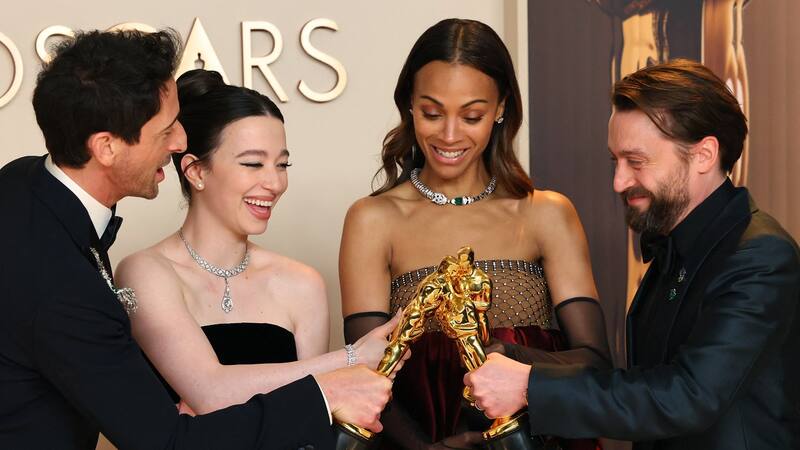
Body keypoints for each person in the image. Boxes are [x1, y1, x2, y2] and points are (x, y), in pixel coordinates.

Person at [0, 29, 391, 450]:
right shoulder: (63, 284)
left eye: (282, 164)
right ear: (106, 147)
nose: (180, 142)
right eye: (165, 130)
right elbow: (167, 440)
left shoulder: (21, 183)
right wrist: (327, 392)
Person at [464, 59, 800, 450]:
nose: (619, 181)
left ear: (704, 154)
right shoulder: (674, 248)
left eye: (636, 162)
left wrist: (529, 387)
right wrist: (518, 357)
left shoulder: (761, 257)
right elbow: (644, 386)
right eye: (616, 161)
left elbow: (688, 396)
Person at [339, 18, 611, 449]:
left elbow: (594, 363)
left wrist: (511, 355)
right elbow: (367, 377)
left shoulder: (546, 214)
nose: (449, 135)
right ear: (409, 104)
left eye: (471, 116)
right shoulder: (372, 220)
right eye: (432, 113)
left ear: (501, 108)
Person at [116, 68, 402, 416]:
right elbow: (210, 391)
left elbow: (310, 417)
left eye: (282, 165)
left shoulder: (302, 283)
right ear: (195, 171)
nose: (275, 183)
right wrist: (349, 359)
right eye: (253, 163)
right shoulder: (144, 272)